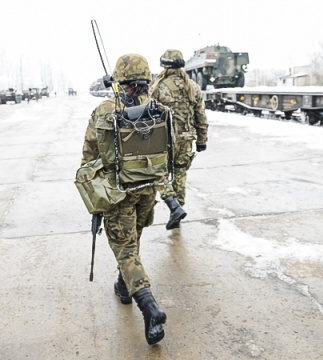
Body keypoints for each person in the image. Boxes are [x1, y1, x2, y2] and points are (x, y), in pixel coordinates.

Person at [80, 53, 168, 345]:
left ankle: (150, 307)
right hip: (147, 190)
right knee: (132, 241)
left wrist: (94, 194)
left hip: (117, 195)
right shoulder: (157, 109)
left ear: (119, 80)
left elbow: (88, 156)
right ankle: (122, 285)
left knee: (126, 249)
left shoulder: (104, 110)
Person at [151, 49, 208, 229]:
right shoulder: (192, 87)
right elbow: (201, 117)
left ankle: (172, 204)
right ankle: (177, 209)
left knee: (158, 173)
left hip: (163, 140)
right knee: (180, 173)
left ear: (164, 66)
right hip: (185, 139)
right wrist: (201, 140)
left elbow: (148, 115)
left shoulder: (157, 88)